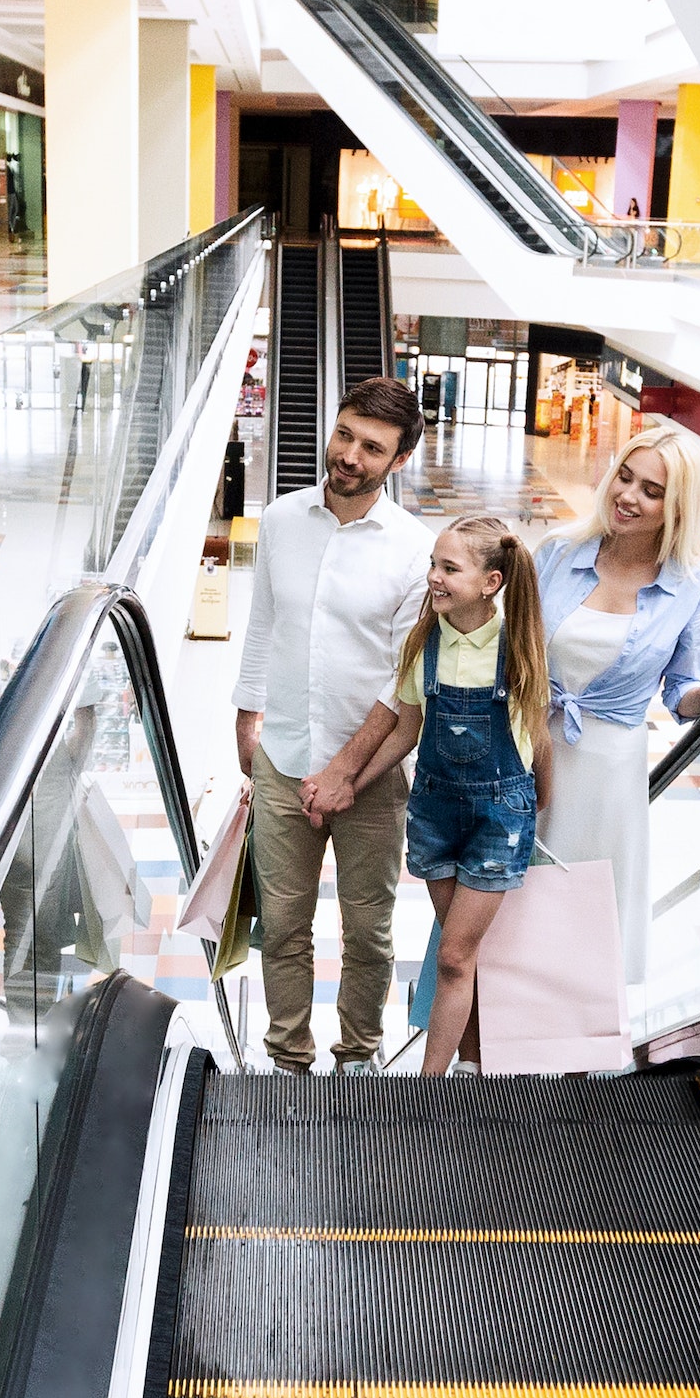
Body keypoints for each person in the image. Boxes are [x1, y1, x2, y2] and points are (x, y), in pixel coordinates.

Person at [234, 377, 431, 1074]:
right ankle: (287, 1056)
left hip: (370, 779)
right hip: (282, 758)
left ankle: (358, 1057)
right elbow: (263, 624)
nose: (349, 455)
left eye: (371, 447)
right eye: (345, 433)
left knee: (368, 934)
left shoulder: (414, 550)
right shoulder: (282, 520)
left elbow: (403, 683)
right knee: (282, 927)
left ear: (398, 461)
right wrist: (245, 716)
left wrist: (347, 772)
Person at [343, 514, 552, 1076]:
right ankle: (474, 1064)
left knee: (455, 954)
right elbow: (405, 731)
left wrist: (542, 811)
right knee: (463, 959)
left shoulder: (519, 650)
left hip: (498, 819)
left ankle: (428, 1089)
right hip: (435, 813)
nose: (433, 577)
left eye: (449, 568)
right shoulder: (425, 644)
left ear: (491, 582)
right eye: (433, 564)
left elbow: (539, 739)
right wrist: (351, 785)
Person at [533, 426, 700, 994]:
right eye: (625, 476)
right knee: (513, 902)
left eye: (653, 491)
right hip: (530, 750)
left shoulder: (694, 586)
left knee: (588, 914)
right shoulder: (557, 552)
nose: (629, 496)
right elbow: (508, 652)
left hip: (609, 771)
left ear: (677, 509)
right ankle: (496, 1050)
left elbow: (681, 686)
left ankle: (574, 1063)